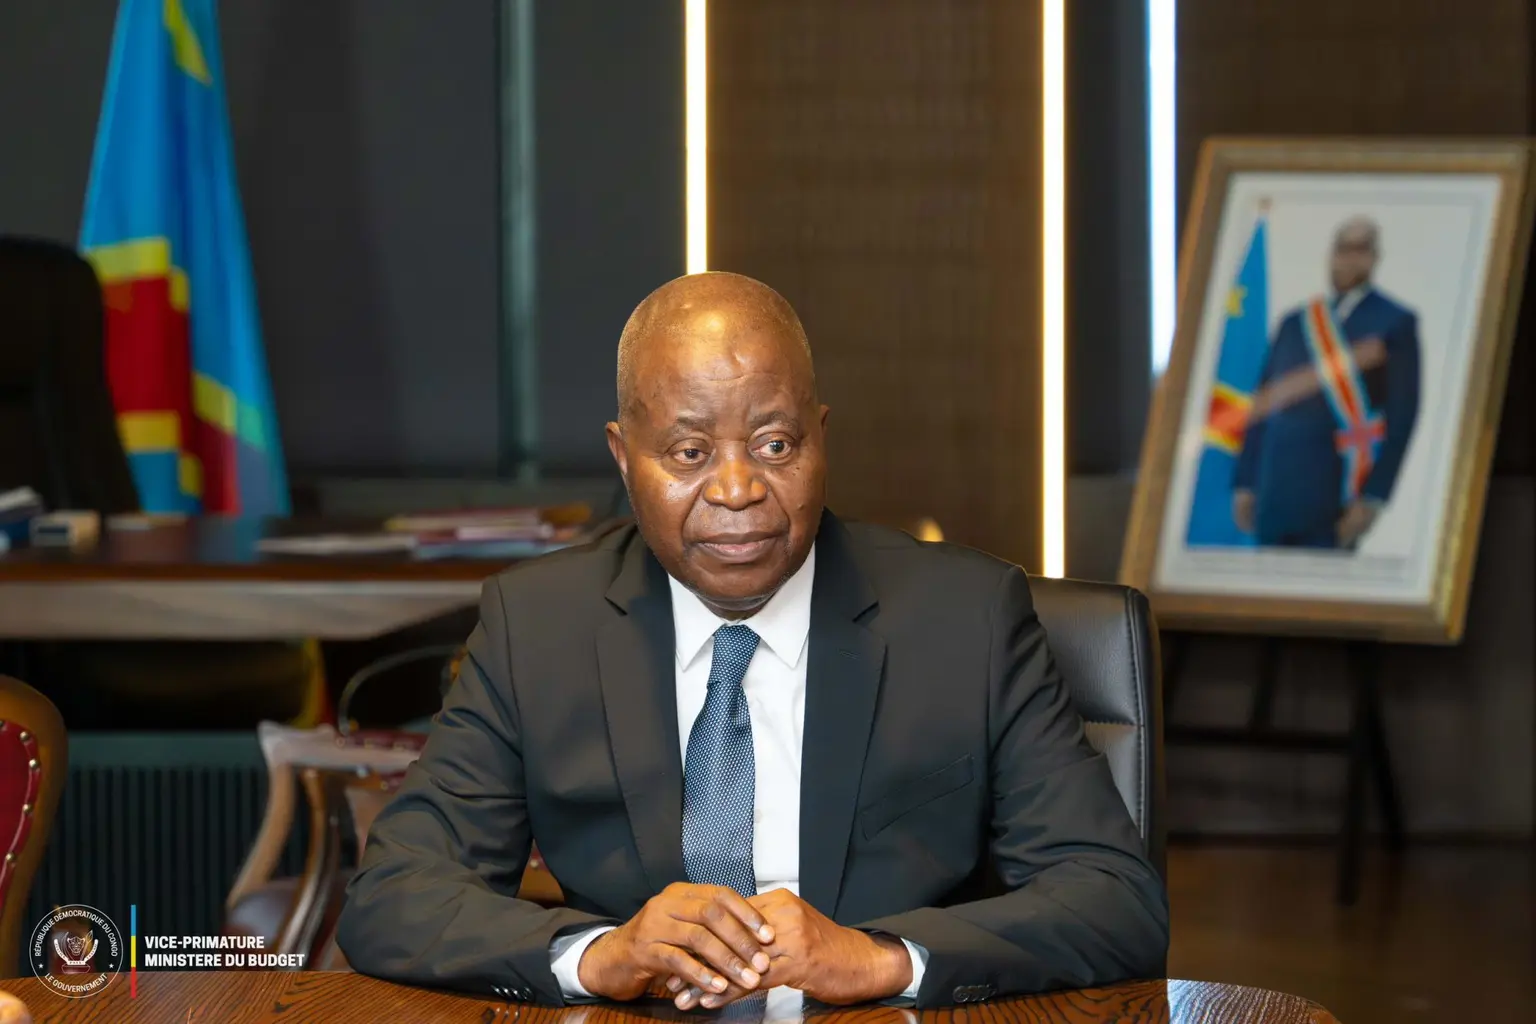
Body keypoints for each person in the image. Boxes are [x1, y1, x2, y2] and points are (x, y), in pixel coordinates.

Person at [335, 272, 1168, 1010]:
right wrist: (601, 956)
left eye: (775, 445)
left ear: (820, 436)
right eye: (689, 452)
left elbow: (1114, 900)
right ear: (624, 458)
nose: (737, 490)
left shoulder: (965, 619)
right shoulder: (539, 626)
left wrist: (879, 959)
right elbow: (394, 894)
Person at [1233, 216, 1421, 549]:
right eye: (1342, 249)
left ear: (1374, 257)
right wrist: (1245, 481)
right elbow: (1261, 406)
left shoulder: (1395, 322)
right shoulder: (1295, 323)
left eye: (1359, 250)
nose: (1348, 259)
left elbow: (1402, 416)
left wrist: (1373, 496)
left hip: (1336, 493)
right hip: (1275, 489)